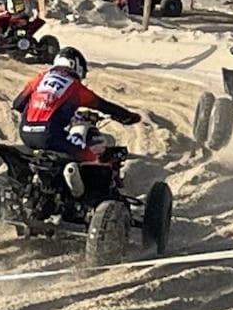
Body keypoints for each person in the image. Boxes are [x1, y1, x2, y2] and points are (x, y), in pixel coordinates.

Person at [13, 47, 141, 198]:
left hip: (25, 133)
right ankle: (81, 198)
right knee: (91, 158)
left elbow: (18, 104)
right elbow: (103, 105)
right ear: (76, 66)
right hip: (51, 136)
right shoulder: (75, 87)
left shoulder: (40, 78)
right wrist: (128, 116)